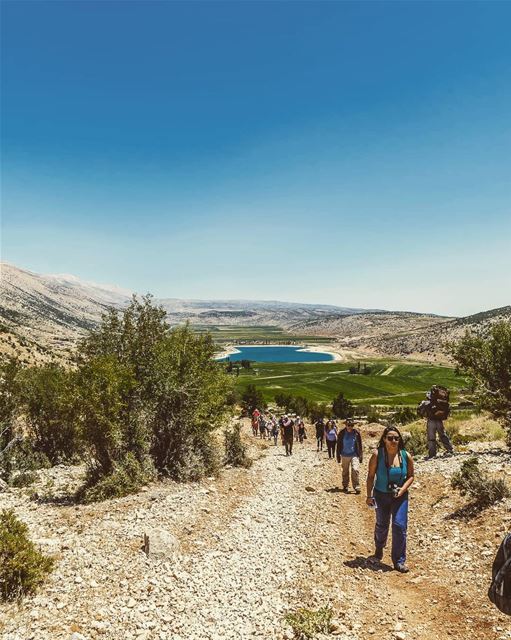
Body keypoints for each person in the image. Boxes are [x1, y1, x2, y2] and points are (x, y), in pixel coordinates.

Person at [366, 426, 415, 573]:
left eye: (396, 438)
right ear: (384, 439)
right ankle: (379, 549)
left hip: (400, 496)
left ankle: (399, 561)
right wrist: (369, 496)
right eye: (390, 438)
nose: (393, 441)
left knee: (400, 526)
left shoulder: (406, 456)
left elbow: (411, 476)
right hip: (381, 495)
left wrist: (402, 489)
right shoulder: (377, 455)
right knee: (382, 524)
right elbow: (370, 476)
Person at [418, 391, 454, 458]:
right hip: (439, 421)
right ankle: (450, 449)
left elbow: (420, 410)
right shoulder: (440, 402)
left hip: (431, 421)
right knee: (443, 435)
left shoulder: (426, 403)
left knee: (431, 438)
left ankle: (432, 454)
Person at [336, 418, 363, 494]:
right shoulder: (341, 433)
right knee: (345, 471)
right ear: (346, 425)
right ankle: (345, 485)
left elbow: (360, 445)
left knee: (355, 469)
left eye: (351, 425)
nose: (350, 427)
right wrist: (338, 456)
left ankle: (356, 486)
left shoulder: (356, 433)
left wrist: (360, 456)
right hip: (344, 454)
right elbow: (338, 445)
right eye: (348, 425)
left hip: (354, 454)